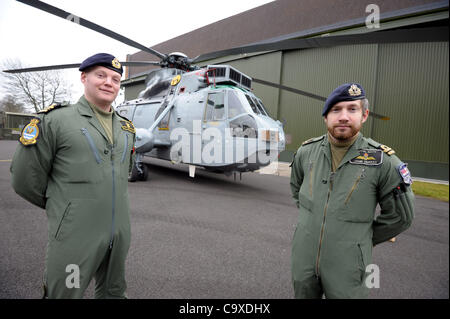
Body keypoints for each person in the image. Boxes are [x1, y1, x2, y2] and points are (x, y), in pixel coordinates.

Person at [10, 53, 136, 298]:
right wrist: (65, 208)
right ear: (83, 77)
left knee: (115, 292)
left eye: (115, 79)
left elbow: (124, 174)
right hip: (75, 233)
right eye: (101, 75)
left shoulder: (126, 128)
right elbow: (24, 179)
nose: (109, 82)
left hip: (119, 231)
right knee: (66, 292)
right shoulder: (55, 120)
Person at [289, 83, 414, 299]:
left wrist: (360, 239)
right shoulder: (305, 152)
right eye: (336, 110)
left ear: (364, 115)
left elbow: (401, 216)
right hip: (304, 256)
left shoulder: (384, 161)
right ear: (326, 117)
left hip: (349, 263)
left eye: (352, 109)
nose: (343, 117)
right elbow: (296, 190)